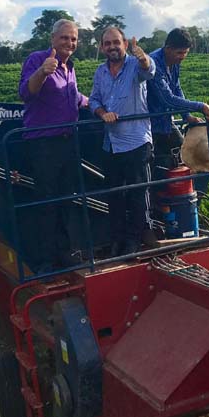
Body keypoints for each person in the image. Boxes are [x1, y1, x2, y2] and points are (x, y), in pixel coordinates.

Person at [18, 18, 89, 270]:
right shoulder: (38, 59)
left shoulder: (70, 68)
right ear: (52, 39)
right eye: (64, 37)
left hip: (68, 141)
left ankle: (64, 252)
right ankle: (46, 260)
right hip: (44, 143)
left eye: (73, 39)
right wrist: (43, 72)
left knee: (66, 199)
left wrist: (91, 103)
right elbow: (26, 93)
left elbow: (73, 96)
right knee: (46, 202)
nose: (69, 42)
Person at [88, 27, 156, 256]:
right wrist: (101, 113)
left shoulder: (135, 65)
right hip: (112, 142)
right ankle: (117, 240)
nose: (112, 47)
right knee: (114, 194)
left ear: (125, 44)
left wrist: (143, 57)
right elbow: (94, 98)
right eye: (107, 44)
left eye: (116, 42)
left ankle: (134, 241)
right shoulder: (100, 72)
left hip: (136, 141)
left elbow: (149, 71)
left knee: (137, 193)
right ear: (101, 47)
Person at [146, 28, 209, 178]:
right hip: (150, 125)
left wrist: (187, 116)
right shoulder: (153, 64)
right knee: (158, 166)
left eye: (185, 53)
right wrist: (202, 106)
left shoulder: (173, 62)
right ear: (168, 49)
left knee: (184, 152)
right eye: (180, 53)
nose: (183, 57)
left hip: (166, 120)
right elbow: (167, 99)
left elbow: (176, 88)